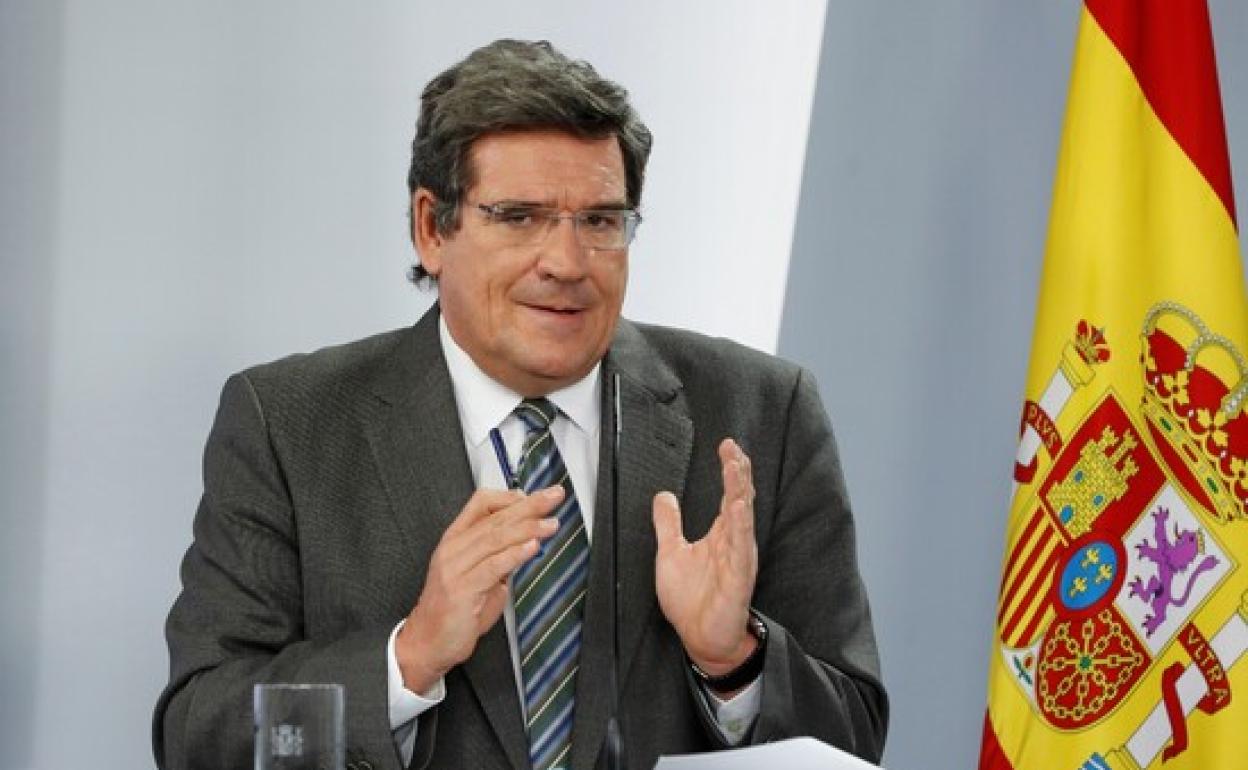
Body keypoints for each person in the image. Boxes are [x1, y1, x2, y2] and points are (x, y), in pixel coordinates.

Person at [153, 39, 887, 770]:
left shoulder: (763, 412)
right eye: (519, 217)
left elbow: (854, 735)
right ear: (431, 228)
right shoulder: (289, 425)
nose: (566, 263)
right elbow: (198, 730)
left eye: (600, 221)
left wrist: (735, 660)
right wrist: (408, 657)